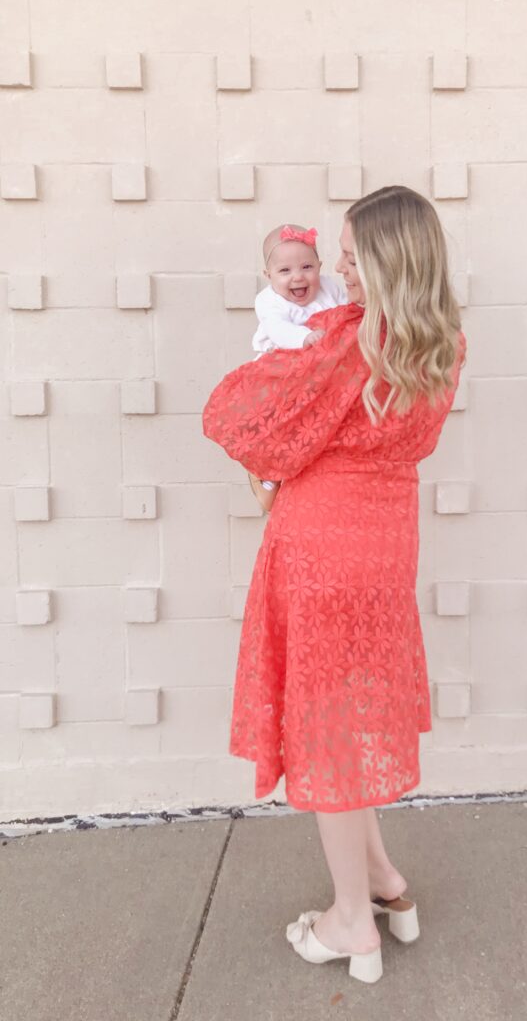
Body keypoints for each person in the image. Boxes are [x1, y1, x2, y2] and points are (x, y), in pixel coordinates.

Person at [202, 185, 467, 984]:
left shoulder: (348, 341)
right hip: (385, 544)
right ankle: (383, 882)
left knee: (326, 729)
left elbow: (235, 418)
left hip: (320, 547)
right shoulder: (441, 338)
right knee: (352, 716)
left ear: (387, 261)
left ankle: (351, 921)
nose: (337, 271)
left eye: (351, 258)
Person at [247, 222, 347, 502]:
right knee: (278, 421)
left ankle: (296, 467)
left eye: (307, 267)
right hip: (279, 370)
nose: (298, 277)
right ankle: (266, 470)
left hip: (319, 370)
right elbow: (278, 329)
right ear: (269, 276)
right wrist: (305, 337)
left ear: (320, 266)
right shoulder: (269, 301)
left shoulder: (330, 288)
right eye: (284, 271)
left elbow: (344, 314)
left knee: (314, 424)